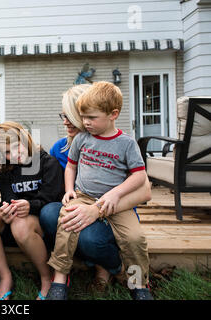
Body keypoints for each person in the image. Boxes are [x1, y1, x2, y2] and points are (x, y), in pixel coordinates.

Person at [47, 81, 153, 300]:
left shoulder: (126, 143)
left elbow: (141, 179)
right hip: (83, 197)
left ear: (113, 114)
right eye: (82, 116)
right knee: (64, 220)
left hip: (117, 203)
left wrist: (114, 195)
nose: (85, 122)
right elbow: (71, 166)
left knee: (135, 238)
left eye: (90, 117)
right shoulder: (80, 140)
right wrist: (69, 190)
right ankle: (60, 279)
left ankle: (138, 285)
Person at [0, 121, 64, 300]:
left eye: (16, 146)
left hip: (39, 225)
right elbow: (8, 199)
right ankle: (5, 277)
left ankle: (46, 278)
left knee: (20, 224)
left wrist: (31, 205)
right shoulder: (5, 173)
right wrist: (6, 210)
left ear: (25, 139)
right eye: (6, 152)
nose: (14, 154)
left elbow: (51, 198)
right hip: (13, 223)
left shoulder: (47, 162)